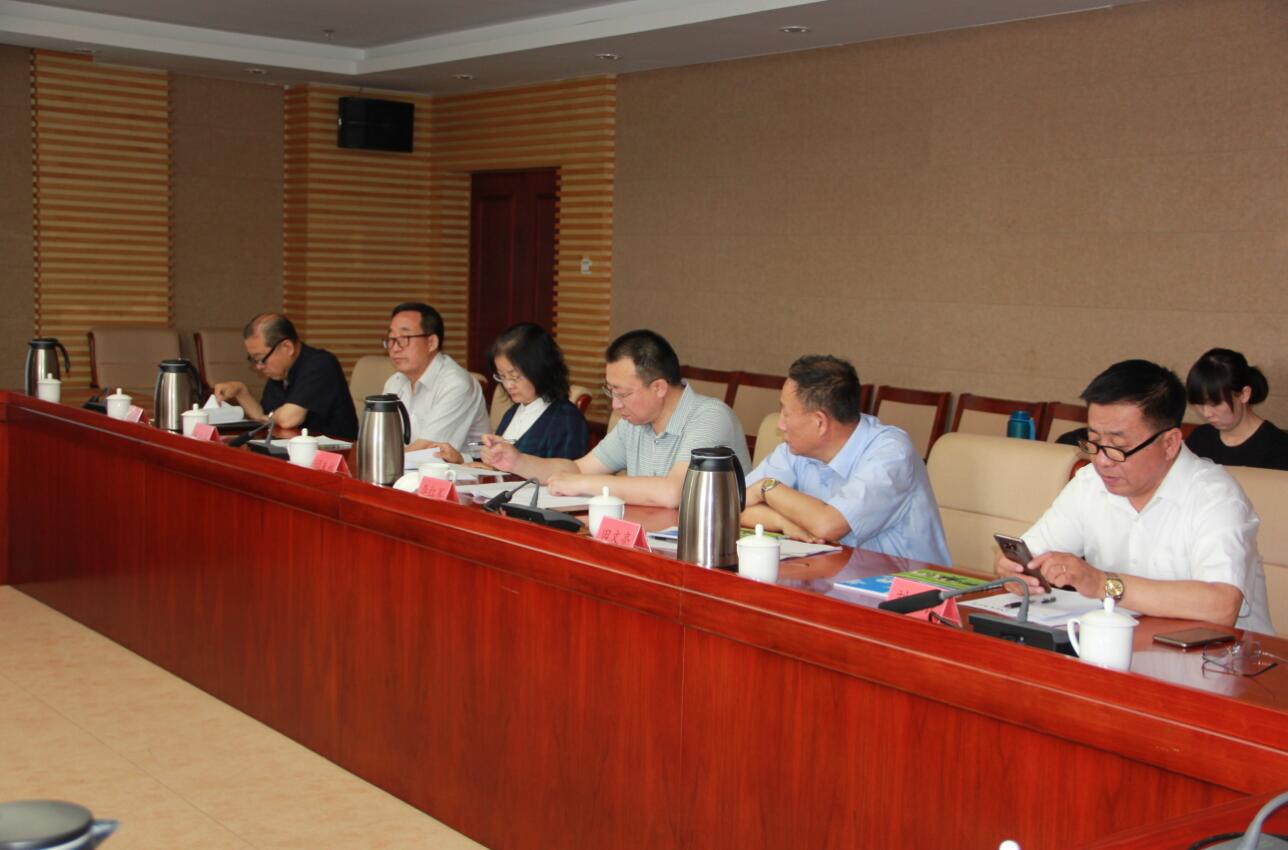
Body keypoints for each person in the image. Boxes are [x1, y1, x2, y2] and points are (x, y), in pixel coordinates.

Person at [997, 359, 1273, 634]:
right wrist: (1016, 571)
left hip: (1218, 655)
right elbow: (1031, 553)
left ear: (1169, 443)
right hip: (1121, 643)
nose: (1102, 461)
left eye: (1118, 447)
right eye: (1094, 441)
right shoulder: (1090, 483)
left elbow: (1222, 606)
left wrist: (1103, 584)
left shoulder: (1216, 497)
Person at [482, 329, 748, 507]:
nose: (615, 405)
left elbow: (674, 492)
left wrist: (585, 484)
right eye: (610, 391)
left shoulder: (710, 417)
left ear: (659, 387)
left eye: (622, 393)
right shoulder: (634, 422)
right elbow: (578, 469)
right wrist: (517, 461)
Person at [741, 355, 951, 563]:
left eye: (785, 413)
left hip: (906, 580)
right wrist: (784, 522)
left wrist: (766, 488)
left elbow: (828, 526)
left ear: (820, 422)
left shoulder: (891, 453)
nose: (780, 425)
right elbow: (736, 507)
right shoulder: (796, 449)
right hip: (833, 572)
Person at [431, 323, 588, 463]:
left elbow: (567, 474)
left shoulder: (567, 419)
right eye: (502, 376)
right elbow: (496, 466)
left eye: (514, 377)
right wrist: (460, 459)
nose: (507, 385)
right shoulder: (514, 411)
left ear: (540, 370)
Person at [214, 312, 358, 439]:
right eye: (254, 360)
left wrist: (272, 417)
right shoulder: (280, 372)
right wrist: (241, 392)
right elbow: (263, 418)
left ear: (287, 347)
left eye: (261, 358)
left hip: (336, 455)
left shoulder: (321, 364)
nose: (259, 366)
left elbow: (287, 420)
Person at [381, 302, 490, 456]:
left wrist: (379, 460)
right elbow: (382, 439)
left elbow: (429, 450)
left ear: (431, 342)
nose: (395, 348)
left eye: (404, 338)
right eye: (392, 338)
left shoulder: (456, 385)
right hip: (410, 467)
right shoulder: (395, 381)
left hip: (464, 469)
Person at [1185, 348, 1288, 471]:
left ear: (1244, 394)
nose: (1206, 413)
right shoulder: (1199, 438)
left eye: (1215, 404)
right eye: (1199, 404)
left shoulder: (1278, 447)